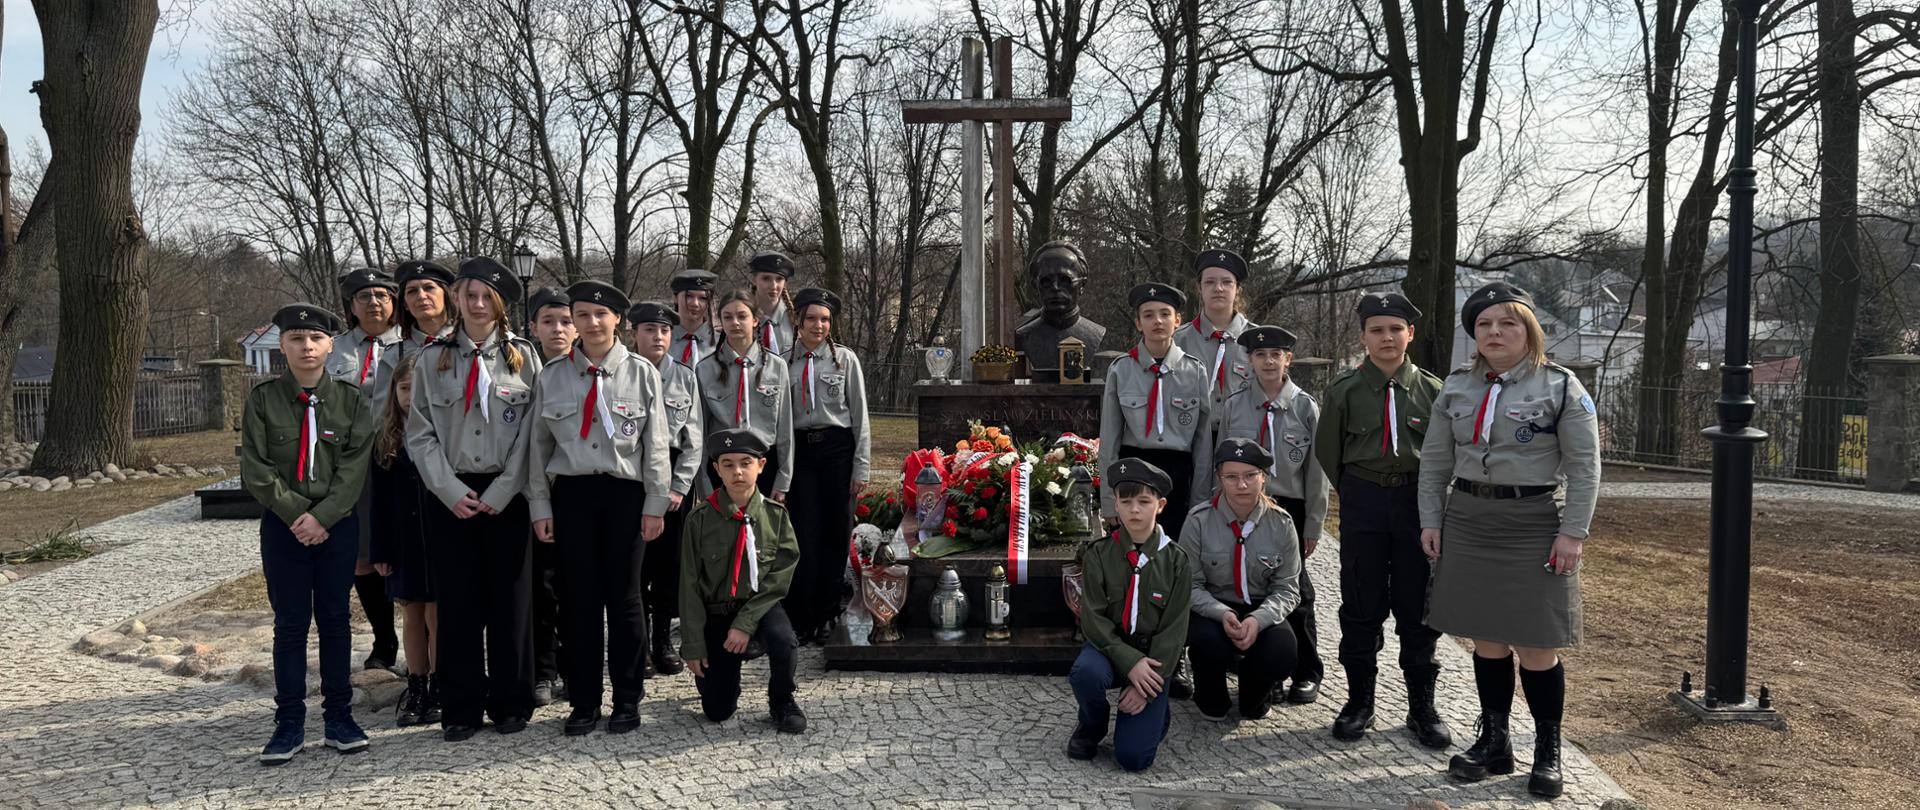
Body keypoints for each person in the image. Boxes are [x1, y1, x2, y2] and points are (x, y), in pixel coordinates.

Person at [1418, 281, 1600, 799]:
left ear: (1528, 329)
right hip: (1470, 520)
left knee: (1538, 646)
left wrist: (1573, 534)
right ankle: (1495, 741)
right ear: (1474, 335)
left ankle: (1547, 749)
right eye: (1484, 325)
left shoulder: (1562, 386)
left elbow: (1586, 469)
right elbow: (1434, 461)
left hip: (1534, 522)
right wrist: (1431, 520)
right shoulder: (1456, 386)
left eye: (1507, 322)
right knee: (1487, 640)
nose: (1495, 332)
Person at [526, 280, 673, 736]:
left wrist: (655, 503)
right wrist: (539, 506)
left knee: (626, 599)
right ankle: (584, 700)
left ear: (618, 322)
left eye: (600, 314)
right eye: (580, 315)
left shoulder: (642, 372)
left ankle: (627, 698)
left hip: (624, 497)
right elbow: (538, 447)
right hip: (572, 495)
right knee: (578, 602)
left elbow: (656, 445)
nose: (590, 323)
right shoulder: (551, 375)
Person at [406, 257, 540, 741]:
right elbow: (419, 434)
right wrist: (449, 490)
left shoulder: (524, 355)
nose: (478, 304)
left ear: (500, 304)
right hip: (452, 495)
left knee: (511, 603)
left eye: (488, 297)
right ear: (456, 300)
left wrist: (505, 489)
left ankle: (511, 702)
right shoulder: (431, 358)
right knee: (458, 606)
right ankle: (460, 707)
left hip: (509, 494)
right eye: (470, 296)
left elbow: (534, 431)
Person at [1313, 292, 1452, 748]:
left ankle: (1421, 708)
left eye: (1396, 329)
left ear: (1410, 334)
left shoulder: (1433, 391)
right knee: (1360, 603)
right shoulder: (1344, 391)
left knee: (1418, 608)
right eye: (1377, 330)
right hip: (1365, 502)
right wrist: (1360, 491)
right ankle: (1359, 703)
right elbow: (1329, 453)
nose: (1387, 338)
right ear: (1364, 338)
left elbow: (1443, 454)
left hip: (1417, 505)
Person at [240, 303, 375, 764]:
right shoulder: (262, 400)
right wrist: (299, 514)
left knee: (336, 620)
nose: (306, 346)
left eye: (315, 338)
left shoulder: (352, 401)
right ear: (282, 345)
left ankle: (339, 716)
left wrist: (324, 518)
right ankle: (289, 722)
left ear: (329, 345)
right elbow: (255, 470)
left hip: (336, 527)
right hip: (284, 527)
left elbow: (354, 469)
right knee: (291, 624)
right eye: (296, 338)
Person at [1221, 325, 1328, 705]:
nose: (1268, 361)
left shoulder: (1305, 407)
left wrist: (1313, 524)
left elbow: (1317, 472)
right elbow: (1220, 459)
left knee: (1297, 590)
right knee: (1253, 581)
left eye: (1276, 354)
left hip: (1287, 506)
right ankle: (1270, 667)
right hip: (1244, 502)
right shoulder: (1234, 405)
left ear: (1288, 359)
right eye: (1260, 355)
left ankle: (1306, 669)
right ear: (1249, 360)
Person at [678, 428, 808, 734]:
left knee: (784, 640)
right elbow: (689, 586)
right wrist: (694, 646)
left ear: (761, 466)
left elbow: (779, 577)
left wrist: (745, 624)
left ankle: (782, 699)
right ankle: (717, 680)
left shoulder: (776, 517)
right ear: (716, 469)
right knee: (718, 710)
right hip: (717, 611)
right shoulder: (698, 520)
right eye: (728, 464)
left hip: (759, 606)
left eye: (745, 463)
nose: (737, 471)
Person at [1066, 459, 1191, 772]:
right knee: (1085, 673)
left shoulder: (1176, 561)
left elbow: (1174, 630)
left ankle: (1155, 710)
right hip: (1108, 649)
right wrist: (1128, 661)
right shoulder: (1098, 554)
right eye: (1126, 501)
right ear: (1116, 505)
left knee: (1133, 759)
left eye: (1144, 501)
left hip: (1153, 661)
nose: (1135, 509)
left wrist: (1147, 682)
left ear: (1160, 505)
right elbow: (1092, 617)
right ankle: (1091, 725)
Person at [1179, 438, 1301, 721]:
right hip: (1213, 607)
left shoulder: (1282, 525)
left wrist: (1259, 619)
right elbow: (1189, 585)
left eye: (1250, 476)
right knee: (1207, 644)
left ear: (1264, 478)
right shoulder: (1198, 521)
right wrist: (1221, 613)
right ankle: (1210, 693)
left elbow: (1288, 588)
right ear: (1220, 479)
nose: (1241, 485)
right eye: (1231, 477)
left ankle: (1255, 691)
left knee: (1282, 653)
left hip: (1261, 606)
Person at [780, 287, 871, 646]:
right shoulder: (784, 362)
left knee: (835, 533)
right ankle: (803, 616)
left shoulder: (844, 361)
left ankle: (829, 613)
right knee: (805, 534)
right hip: (801, 452)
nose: (819, 325)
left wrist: (860, 467)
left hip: (837, 451)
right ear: (797, 321)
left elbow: (861, 417)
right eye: (812, 318)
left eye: (825, 319)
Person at [327, 267, 404, 672]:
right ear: (351, 306)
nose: (374, 302)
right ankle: (384, 640)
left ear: (394, 302)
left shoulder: (412, 346)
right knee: (363, 556)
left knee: (404, 551)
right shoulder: (334, 350)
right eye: (364, 297)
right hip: (353, 463)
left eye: (381, 295)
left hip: (401, 460)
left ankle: (422, 640)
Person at [1098, 282, 1212, 540]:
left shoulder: (1194, 372)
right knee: (1134, 553)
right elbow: (1109, 440)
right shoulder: (1121, 370)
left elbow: (1203, 443)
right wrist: (1108, 500)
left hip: (1178, 475)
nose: (1157, 321)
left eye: (1165, 314)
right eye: (1148, 315)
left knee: (1175, 553)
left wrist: (1201, 501)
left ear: (1177, 320)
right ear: (1138, 323)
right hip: (1133, 470)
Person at [628, 300, 704, 678]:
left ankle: (663, 641)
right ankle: (637, 643)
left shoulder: (685, 377)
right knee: (636, 567)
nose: (657, 336)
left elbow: (694, 440)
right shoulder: (622, 373)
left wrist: (679, 487)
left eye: (663, 331)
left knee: (669, 567)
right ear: (633, 334)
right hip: (634, 476)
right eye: (648, 330)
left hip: (674, 480)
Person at [367, 355, 440, 727]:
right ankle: (417, 684)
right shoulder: (386, 441)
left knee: (437, 612)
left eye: (419, 388)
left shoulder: (445, 432)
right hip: (403, 542)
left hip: (439, 538)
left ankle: (441, 684)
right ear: (394, 393)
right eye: (405, 388)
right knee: (412, 612)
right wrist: (379, 549)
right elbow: (377, 503)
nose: (411, 396)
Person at [524, 286, 574, 708]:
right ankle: (543, 670)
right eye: (548, 321)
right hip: (530, 493)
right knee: (539, 589)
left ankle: (575, 668)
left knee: (575, 586)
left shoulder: (584, 371)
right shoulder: (522, 368)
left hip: (573, 494)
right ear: (532, 327)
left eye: (565, 321)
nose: (557, 329)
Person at [697, 289, 793, 500]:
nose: (735, 323)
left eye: (742, 316)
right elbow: (700, 431)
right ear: (720, 322)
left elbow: (785, 428)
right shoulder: (705, 369)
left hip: (764, 463)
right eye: (728, 317)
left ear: (756, 320)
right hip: (722, 466)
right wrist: (703, 484)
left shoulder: (776, 367)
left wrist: (783, 478)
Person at [1175, 249, 1256, 428]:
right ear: (1199, 288)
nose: (1218, 288)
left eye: (1227, 282)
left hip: (1242, 443)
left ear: (1237, 289)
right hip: (1190, 439)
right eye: (1210, 282)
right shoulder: (1178, 341)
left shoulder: (1256, 341)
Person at [383, 260, 456, 379]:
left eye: (429, 288)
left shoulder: (469, 344)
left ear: (446, 294)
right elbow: (385, 397)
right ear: (405, 303)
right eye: (412, 291)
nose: (421, 296)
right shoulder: (394, 356)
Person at [746, 252, 796, 355]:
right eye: (766, 278)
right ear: (754, 280)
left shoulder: (795, 318)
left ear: (785, 283)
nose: (773, 286)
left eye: (779, 279)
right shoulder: (742, 317)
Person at [669, 269, 719, 365]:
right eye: (688, 296)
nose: (695, 303)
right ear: (675, 298)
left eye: (703, 298)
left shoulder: (722, 343)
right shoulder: (662, 341)